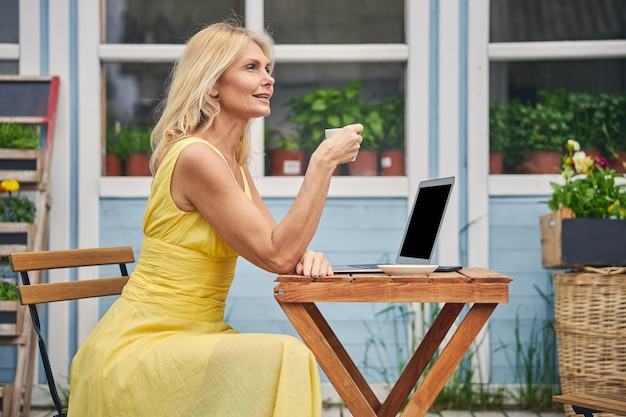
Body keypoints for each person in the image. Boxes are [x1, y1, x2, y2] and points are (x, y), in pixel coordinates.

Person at [67, 20, 363, 417]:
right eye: (251, 68)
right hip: (142, 345)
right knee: (286, 356)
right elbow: (276, 255)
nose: (268, 79)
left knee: (279, 360)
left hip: (198, 336)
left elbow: (278, 246)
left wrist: (310, 255)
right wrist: (322, 163)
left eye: (268, 68)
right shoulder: (196, 158)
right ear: (211, 84)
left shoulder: (232, 163)